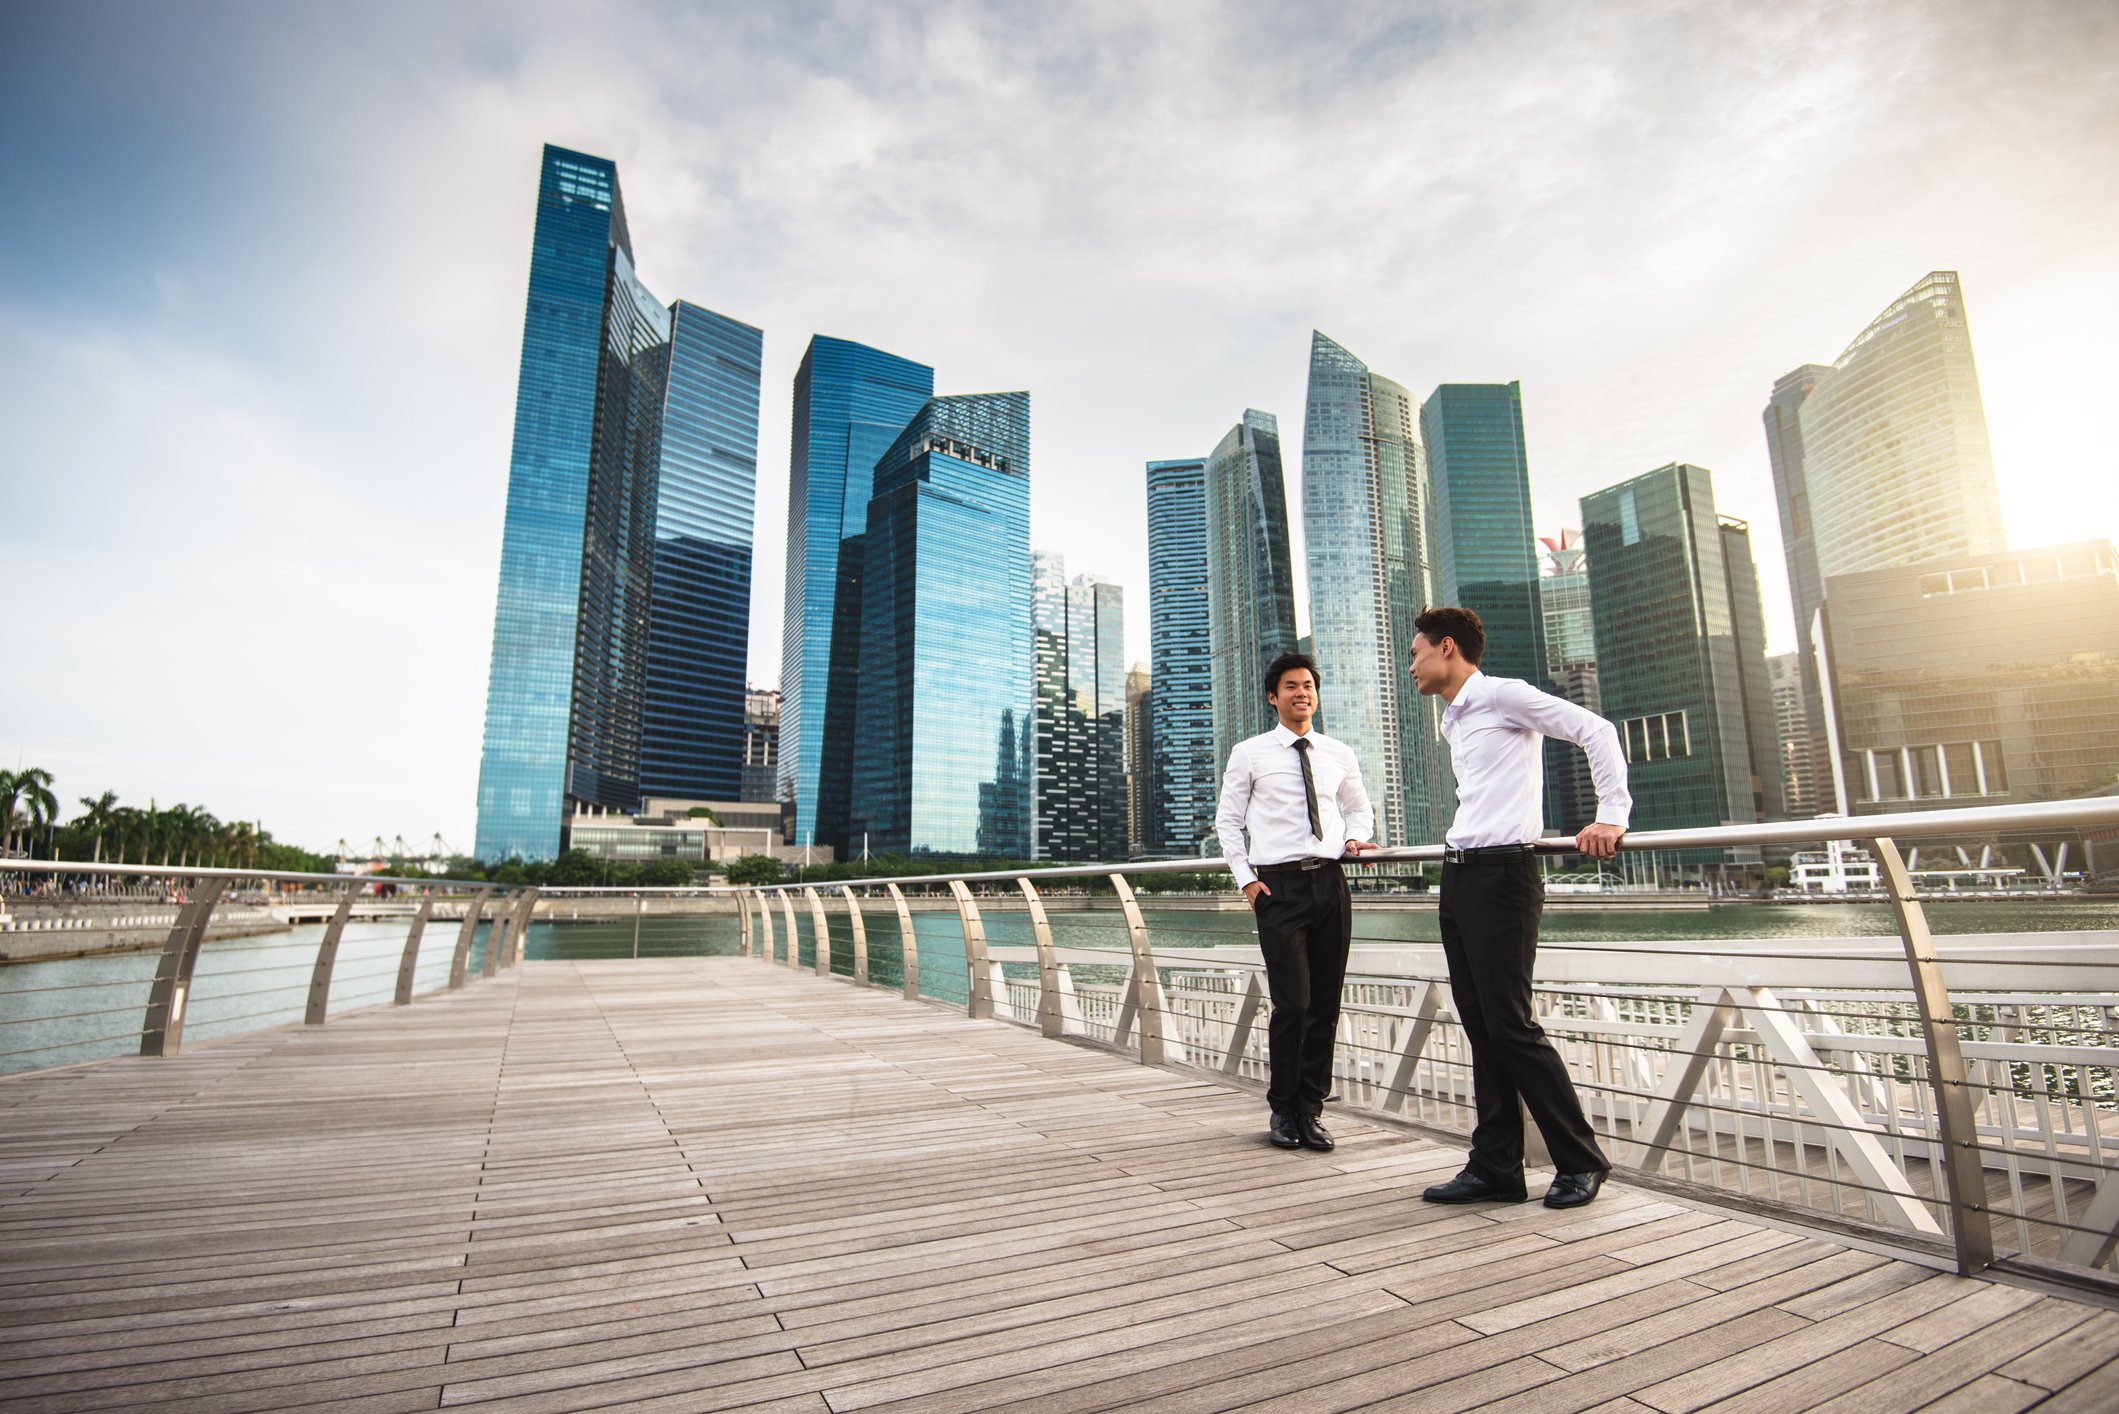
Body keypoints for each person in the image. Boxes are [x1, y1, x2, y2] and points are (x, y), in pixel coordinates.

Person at [1408, 606, 1630, 1209]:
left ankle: (1581, 1160)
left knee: (1510, 1023)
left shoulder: (1505, 695)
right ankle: (1496, 1166)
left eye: (1415, 653)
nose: (1411, 667)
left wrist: (1612, 814)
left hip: (1505, 875)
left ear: (1447, 647)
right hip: (1459, 876)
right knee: (1481, 1026)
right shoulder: (1456, 719)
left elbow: (1597, 730)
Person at [1215, 651, 1378, 1152]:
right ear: (1273, 696)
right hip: (1278, 890)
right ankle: (1282, 1109)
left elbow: (1358, 807)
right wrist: (1246, 880)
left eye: (1308, 685)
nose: (1301, 692)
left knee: (1325, 1004)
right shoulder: (1251, 752)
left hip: (1330, 884)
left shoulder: (1337, 752)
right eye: (1291, 686)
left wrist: (1358, 838)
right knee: (1294, 1004)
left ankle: (1311, 1110)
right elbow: (1228, 821)